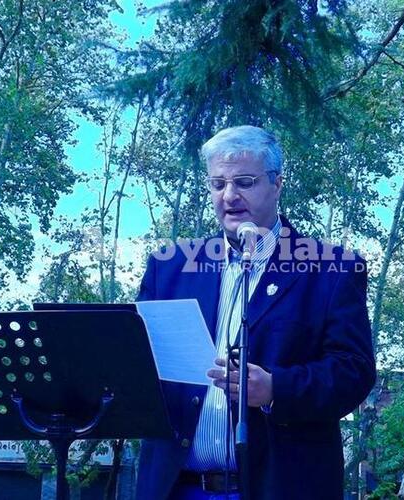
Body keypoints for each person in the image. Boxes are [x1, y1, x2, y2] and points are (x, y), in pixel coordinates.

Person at [135, 125, 375, 500]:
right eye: (218, 185)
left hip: (280, 488)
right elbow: (141, 363)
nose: (229, 196)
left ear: (276, 184)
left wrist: (275, 389)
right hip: (175, 489)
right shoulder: (169, 268)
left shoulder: (332, 269)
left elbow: (353, 371)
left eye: (244, 182)